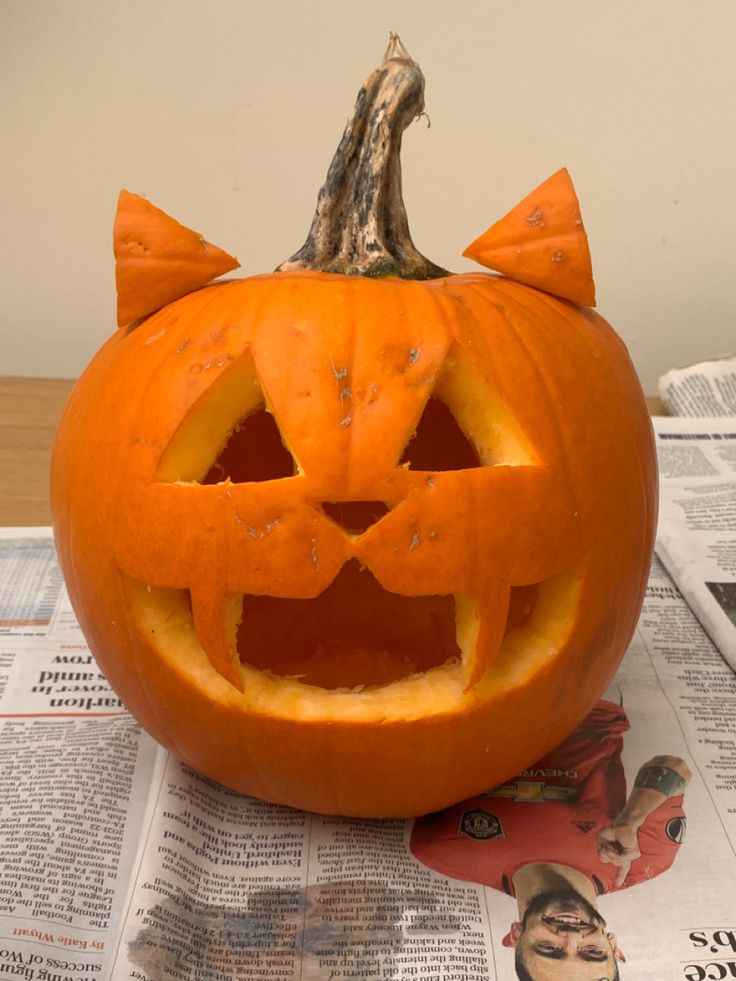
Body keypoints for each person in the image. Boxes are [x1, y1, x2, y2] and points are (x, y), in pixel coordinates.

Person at [410, 700, 691, 980]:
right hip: (582, 697)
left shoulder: (441, 851)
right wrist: (631, 819)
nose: (570, 937)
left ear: (515, 936)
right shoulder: (643, 859)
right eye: (592, 952)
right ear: (612, 944)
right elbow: (673, 766)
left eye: (548, 948)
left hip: (477, 705)